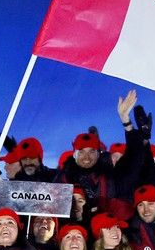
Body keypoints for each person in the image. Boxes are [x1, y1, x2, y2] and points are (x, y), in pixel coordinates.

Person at [54, 90, 148, 220]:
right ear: (74, 154)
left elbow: (134, 159)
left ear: (99, 154)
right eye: (81, 152)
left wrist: (126, 121)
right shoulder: (62, 178)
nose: (87, 157)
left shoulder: (111, 177)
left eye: (92, 151)